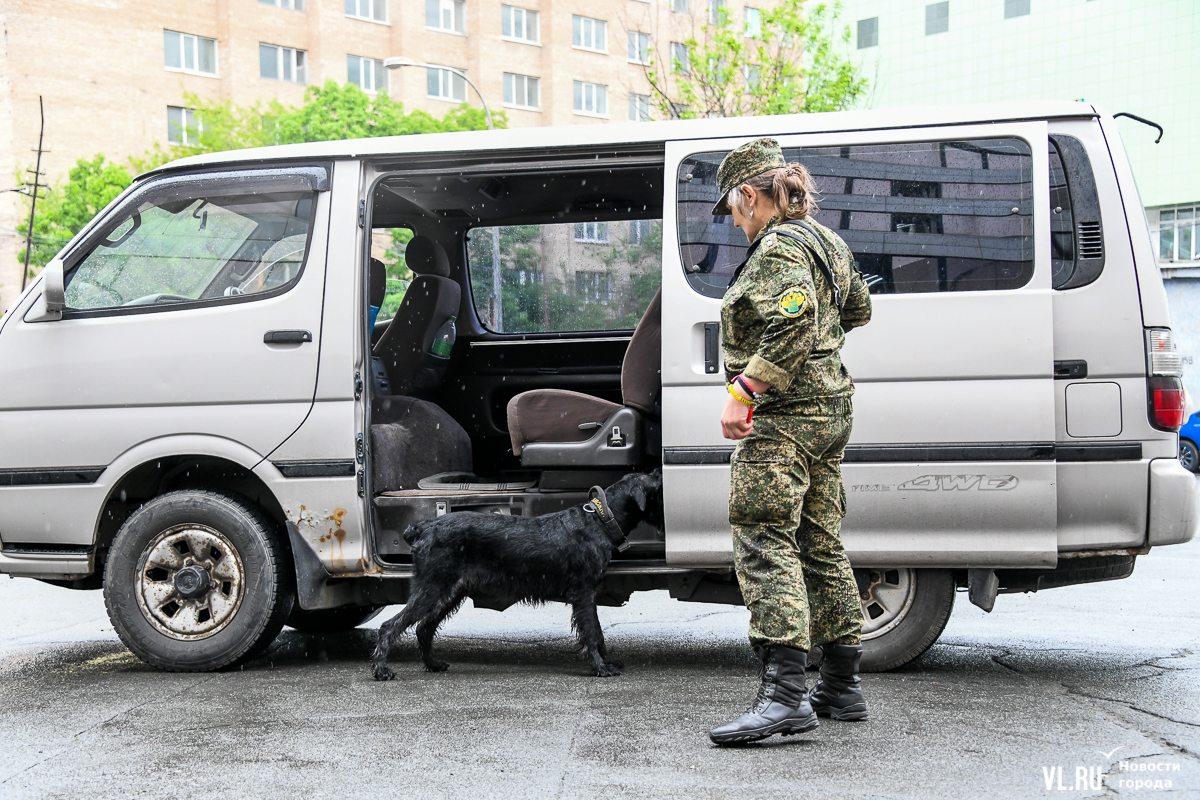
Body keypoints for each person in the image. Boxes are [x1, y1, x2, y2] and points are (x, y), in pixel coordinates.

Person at [707, 138, 873, 746]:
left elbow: (794, 322)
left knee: (763, 535)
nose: (732, 218)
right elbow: (858, 310)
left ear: (750, 194)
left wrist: (745, 389)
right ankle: (840, 684)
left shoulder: (776, 247)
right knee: (819, 540)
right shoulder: (827, 241)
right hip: (831, 410)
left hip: (785, 417)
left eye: (732, 206)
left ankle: (784, 695)